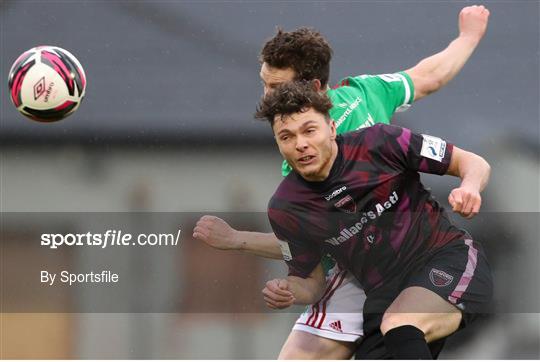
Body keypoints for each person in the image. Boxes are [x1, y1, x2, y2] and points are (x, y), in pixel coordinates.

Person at [193, 5, 490, 359]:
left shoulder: (321, 160)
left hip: (377, 265)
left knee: (398, 325)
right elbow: (429, 76)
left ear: (315, 91)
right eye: (264, 85)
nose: (267, 96)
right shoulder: (363, 91)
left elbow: (319, 240)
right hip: (372, 266)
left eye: (276, 87)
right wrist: (467, 38)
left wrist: (238, 240)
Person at [259, 81, 493, 360]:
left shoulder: (379, 142)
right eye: (286, 137)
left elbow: (473, 163)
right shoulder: (287, 208)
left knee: (400, 323)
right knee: (394, 325)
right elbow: (311, 283)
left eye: (310, 130)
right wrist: (288, 290)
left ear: (332, 128)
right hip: (384, 296)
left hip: (447, 259)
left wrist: (469, 187)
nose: (301, 144)